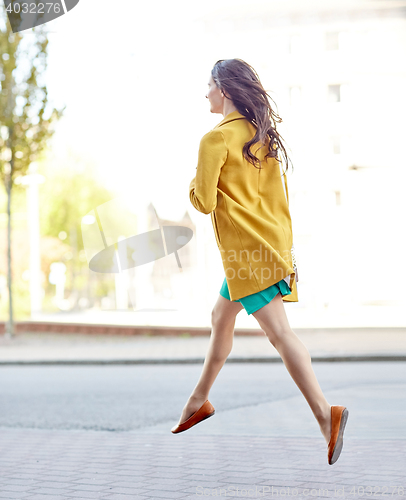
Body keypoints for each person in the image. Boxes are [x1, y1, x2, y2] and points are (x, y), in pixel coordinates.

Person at [170, 58, 348, 465]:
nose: (206, 93)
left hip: (248, 254)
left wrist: (193, 183)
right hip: (267, 246)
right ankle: (198, 400)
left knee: (281, 336)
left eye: (210, 85)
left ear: (225, 90)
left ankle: (326, 415)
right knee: (221, 318)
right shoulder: (261, 136)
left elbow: (205, 201)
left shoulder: (213, 141)